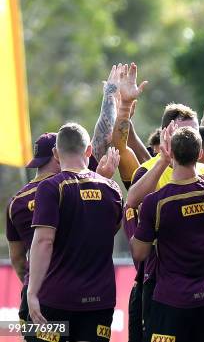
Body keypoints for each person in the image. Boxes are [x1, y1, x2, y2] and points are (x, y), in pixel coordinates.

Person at [27, 123, 122, 341]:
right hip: (100, 300)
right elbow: (110, 231)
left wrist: (32, 292)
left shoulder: (50, 187)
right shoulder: (112, 189)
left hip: (56, 298)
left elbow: (43, 242)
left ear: (55, 154)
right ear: (89, 150)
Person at [131, 126, 204, 342]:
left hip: (170, 301)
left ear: (169, 153)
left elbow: (139, 253)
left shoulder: (156, 201)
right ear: (200, 155)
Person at [5, 133, 61, 327]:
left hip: (35, 293)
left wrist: (31, 285)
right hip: (74, 293)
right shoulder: (69, 189)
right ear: (57, 154)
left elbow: (18, 259)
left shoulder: (16, 202)